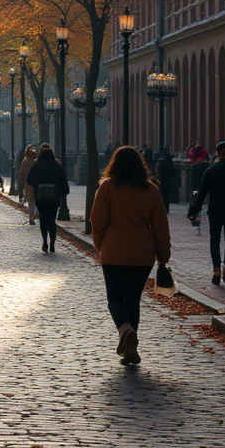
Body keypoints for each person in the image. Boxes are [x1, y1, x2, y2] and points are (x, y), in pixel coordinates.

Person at [90, 145, 171, 366]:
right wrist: (163, 256)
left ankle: (125, 329)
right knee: (133, 300)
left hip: (114, 252)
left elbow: (97, 221)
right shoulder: (151, 190)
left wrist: (101, 246)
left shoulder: (107, 187)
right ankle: (130, 350)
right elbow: (161, 227)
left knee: (114, 299)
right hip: (142, 255)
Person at [187, 140, 225, 285]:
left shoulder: (210, 171)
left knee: (214, 240)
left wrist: (194, 210)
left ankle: (216, 269)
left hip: (215, 210)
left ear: (217, 153)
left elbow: (202, 193)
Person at [26, 143, 68, 252]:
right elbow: (64, 183)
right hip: (54, 198)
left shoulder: (36, 165)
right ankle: (52, 243)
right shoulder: (57, 165)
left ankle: (45, 242)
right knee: (52, 219)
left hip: (40, 197)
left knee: (43, 219)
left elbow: (29, 180)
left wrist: (37, 183)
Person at [18, 145, 38, 224]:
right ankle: (36, 213)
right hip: (37, 184)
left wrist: (20, 188)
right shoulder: (37, 162)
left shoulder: (24, 162)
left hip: (28, 184)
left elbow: (22, 176)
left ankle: (31, 217)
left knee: (31, 201)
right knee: (36, 200)